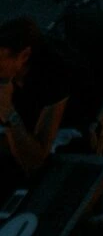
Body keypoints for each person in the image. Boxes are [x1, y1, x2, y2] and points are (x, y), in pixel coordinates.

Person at [0, 17, 92, 175]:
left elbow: (36, 158)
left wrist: (8, 113)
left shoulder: (53, 79)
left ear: (24, 56)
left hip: (62, 134)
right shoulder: (8, 74)